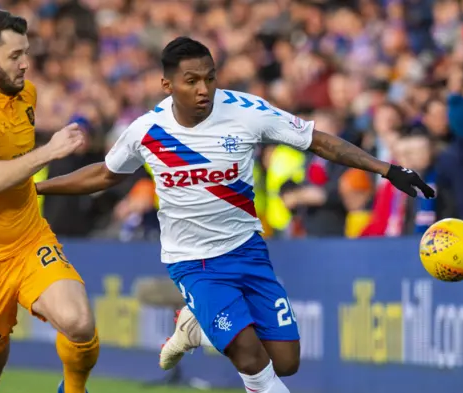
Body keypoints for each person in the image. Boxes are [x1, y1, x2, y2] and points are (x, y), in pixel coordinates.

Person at [35, 37, 434, 393]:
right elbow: (105, 173)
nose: (204, 89)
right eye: (191, 80)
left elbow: (319, 142)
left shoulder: (248, 112)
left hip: (248, 251)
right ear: (167, 85)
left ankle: (195, 325)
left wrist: (386, 169)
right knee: (250, 360)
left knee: (286, 362)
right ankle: (206, 320)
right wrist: (35, 186)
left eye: (209, 78)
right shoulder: (146, 130)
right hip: (194, 262)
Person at [0, 9, 97, 393]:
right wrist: (50, 151)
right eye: (15, 56)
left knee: (79, 322)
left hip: (29, 241)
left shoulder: (26, 92)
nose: (25, 64)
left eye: (25, 52)